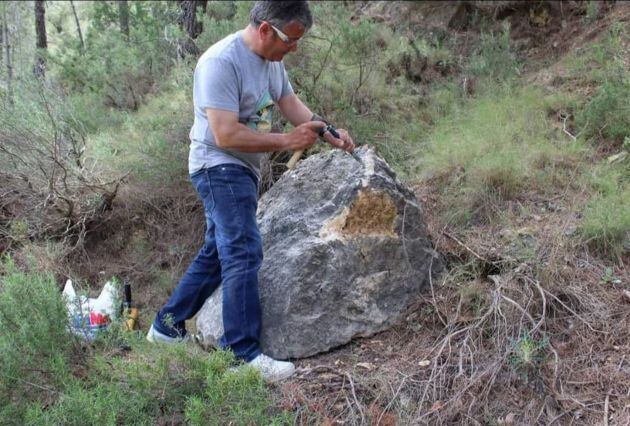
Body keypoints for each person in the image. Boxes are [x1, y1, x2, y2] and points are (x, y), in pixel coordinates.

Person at [147, 0, 355, 382]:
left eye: (298, 41)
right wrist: (288, 141)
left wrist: (328, 132)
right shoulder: (220, 63)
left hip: (240, 169)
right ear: (264, 30)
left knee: (217, 250)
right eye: (290, 39)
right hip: (217, 164)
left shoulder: (272, 62)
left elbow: (290, 103)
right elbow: (225, 133)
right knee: (243, 248)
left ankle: (165, 327)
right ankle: (243, 355)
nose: (293, 48)